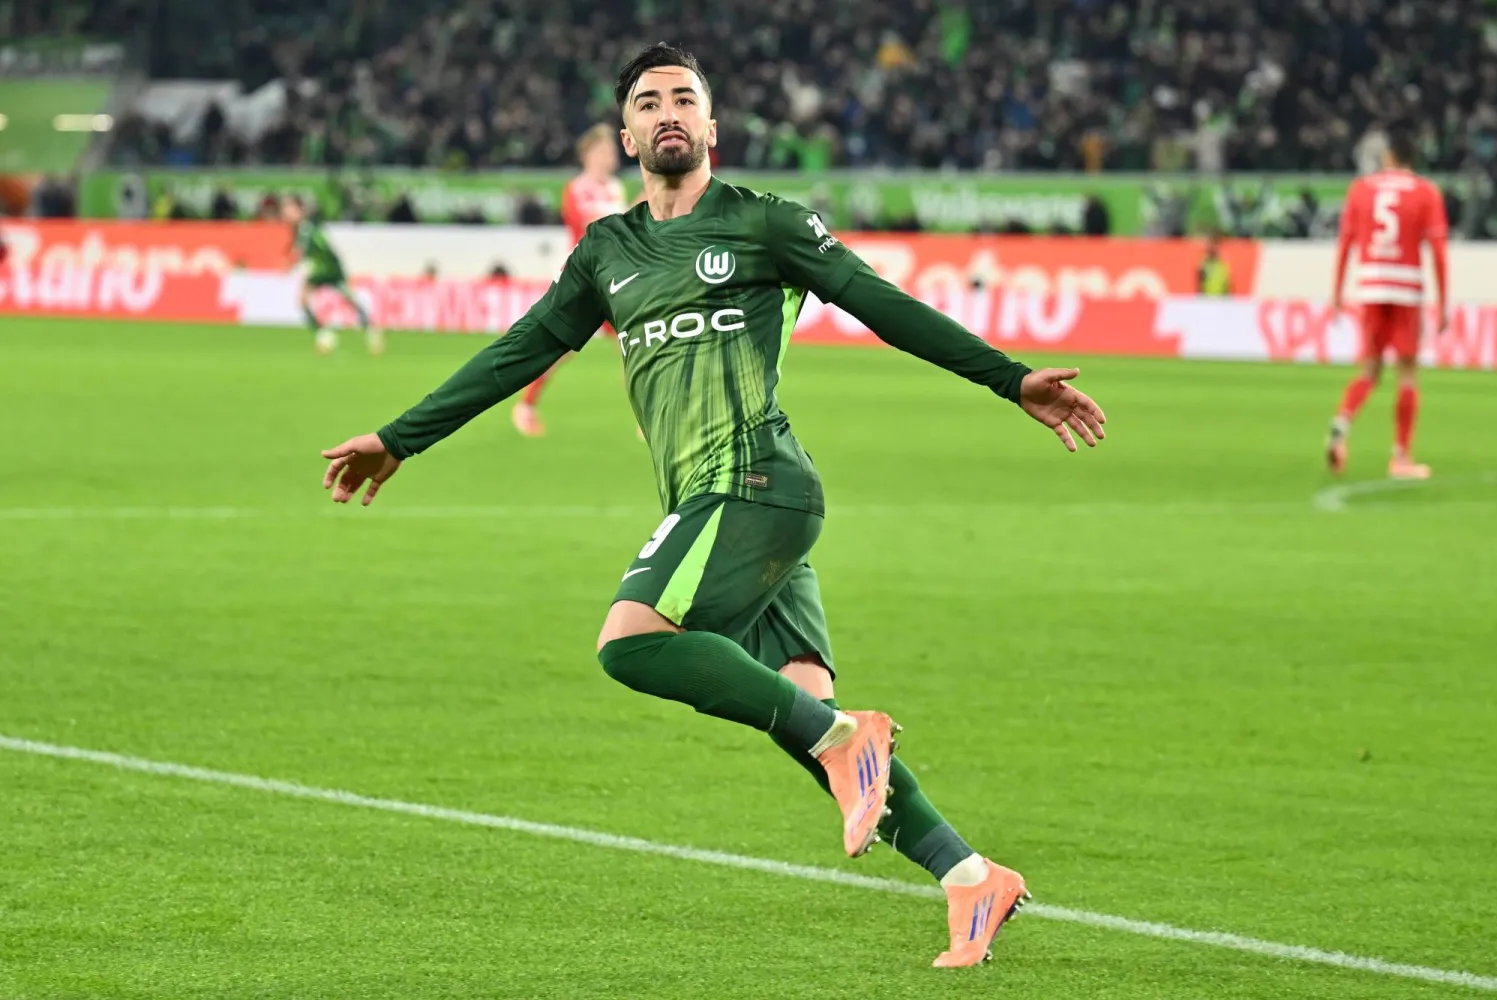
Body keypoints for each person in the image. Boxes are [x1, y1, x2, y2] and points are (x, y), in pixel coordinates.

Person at [319, 43, 1106, 968]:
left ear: (711, 125)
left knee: (632, 642)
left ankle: (854, 741)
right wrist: (400, 436)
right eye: (648, 103)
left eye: (684, 99)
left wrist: (1010, 380)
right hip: (734, 506)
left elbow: (880, 304)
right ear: (627, 134)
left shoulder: (765, 224)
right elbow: (517, 352)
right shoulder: (606, 251)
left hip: (754, 483)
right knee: (811, 719)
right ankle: (969, 876)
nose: (667, 114)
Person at [1327, 127, 1448, 479]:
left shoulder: (1361, 189)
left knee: (1369, 371)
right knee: (1407, 373)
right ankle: (1401, 457)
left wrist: (1337, 293)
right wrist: (1443, 302)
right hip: (1407, 289)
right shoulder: (1426, 192)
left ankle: (1341, 423)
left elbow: (1346, 242)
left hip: (1370, 286)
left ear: (1388, 157)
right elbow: (1438, 252)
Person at [512, 124, 629, 437]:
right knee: (563, 349)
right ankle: (526, 405)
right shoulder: (576, 188)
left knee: (635, 344)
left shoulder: (616, 188)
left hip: (613, 282)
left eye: (612, 150)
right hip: (583, 281)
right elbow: (591, 228)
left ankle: (651, 417)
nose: (611, 155)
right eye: (605, 149)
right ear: (589, 154)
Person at [283, 196, 384, 356]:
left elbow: (306, 251)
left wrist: (295, 264)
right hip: (328, 268)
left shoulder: (306, 229)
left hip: (326, 269)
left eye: (289, 210)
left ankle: (327, 335)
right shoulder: (304, 228)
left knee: (307, 300)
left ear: (299, 211)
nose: (286, 214)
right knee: (345, 299)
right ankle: (367, 332)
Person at [1196, 230, 1232, 296]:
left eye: (1213, 244)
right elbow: (1199, 285)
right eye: (1208, 244)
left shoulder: (1223, 264)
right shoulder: (1203, 263)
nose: (1210, 247)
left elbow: (1227, 286)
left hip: (1221, 301)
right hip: (1207, 301)